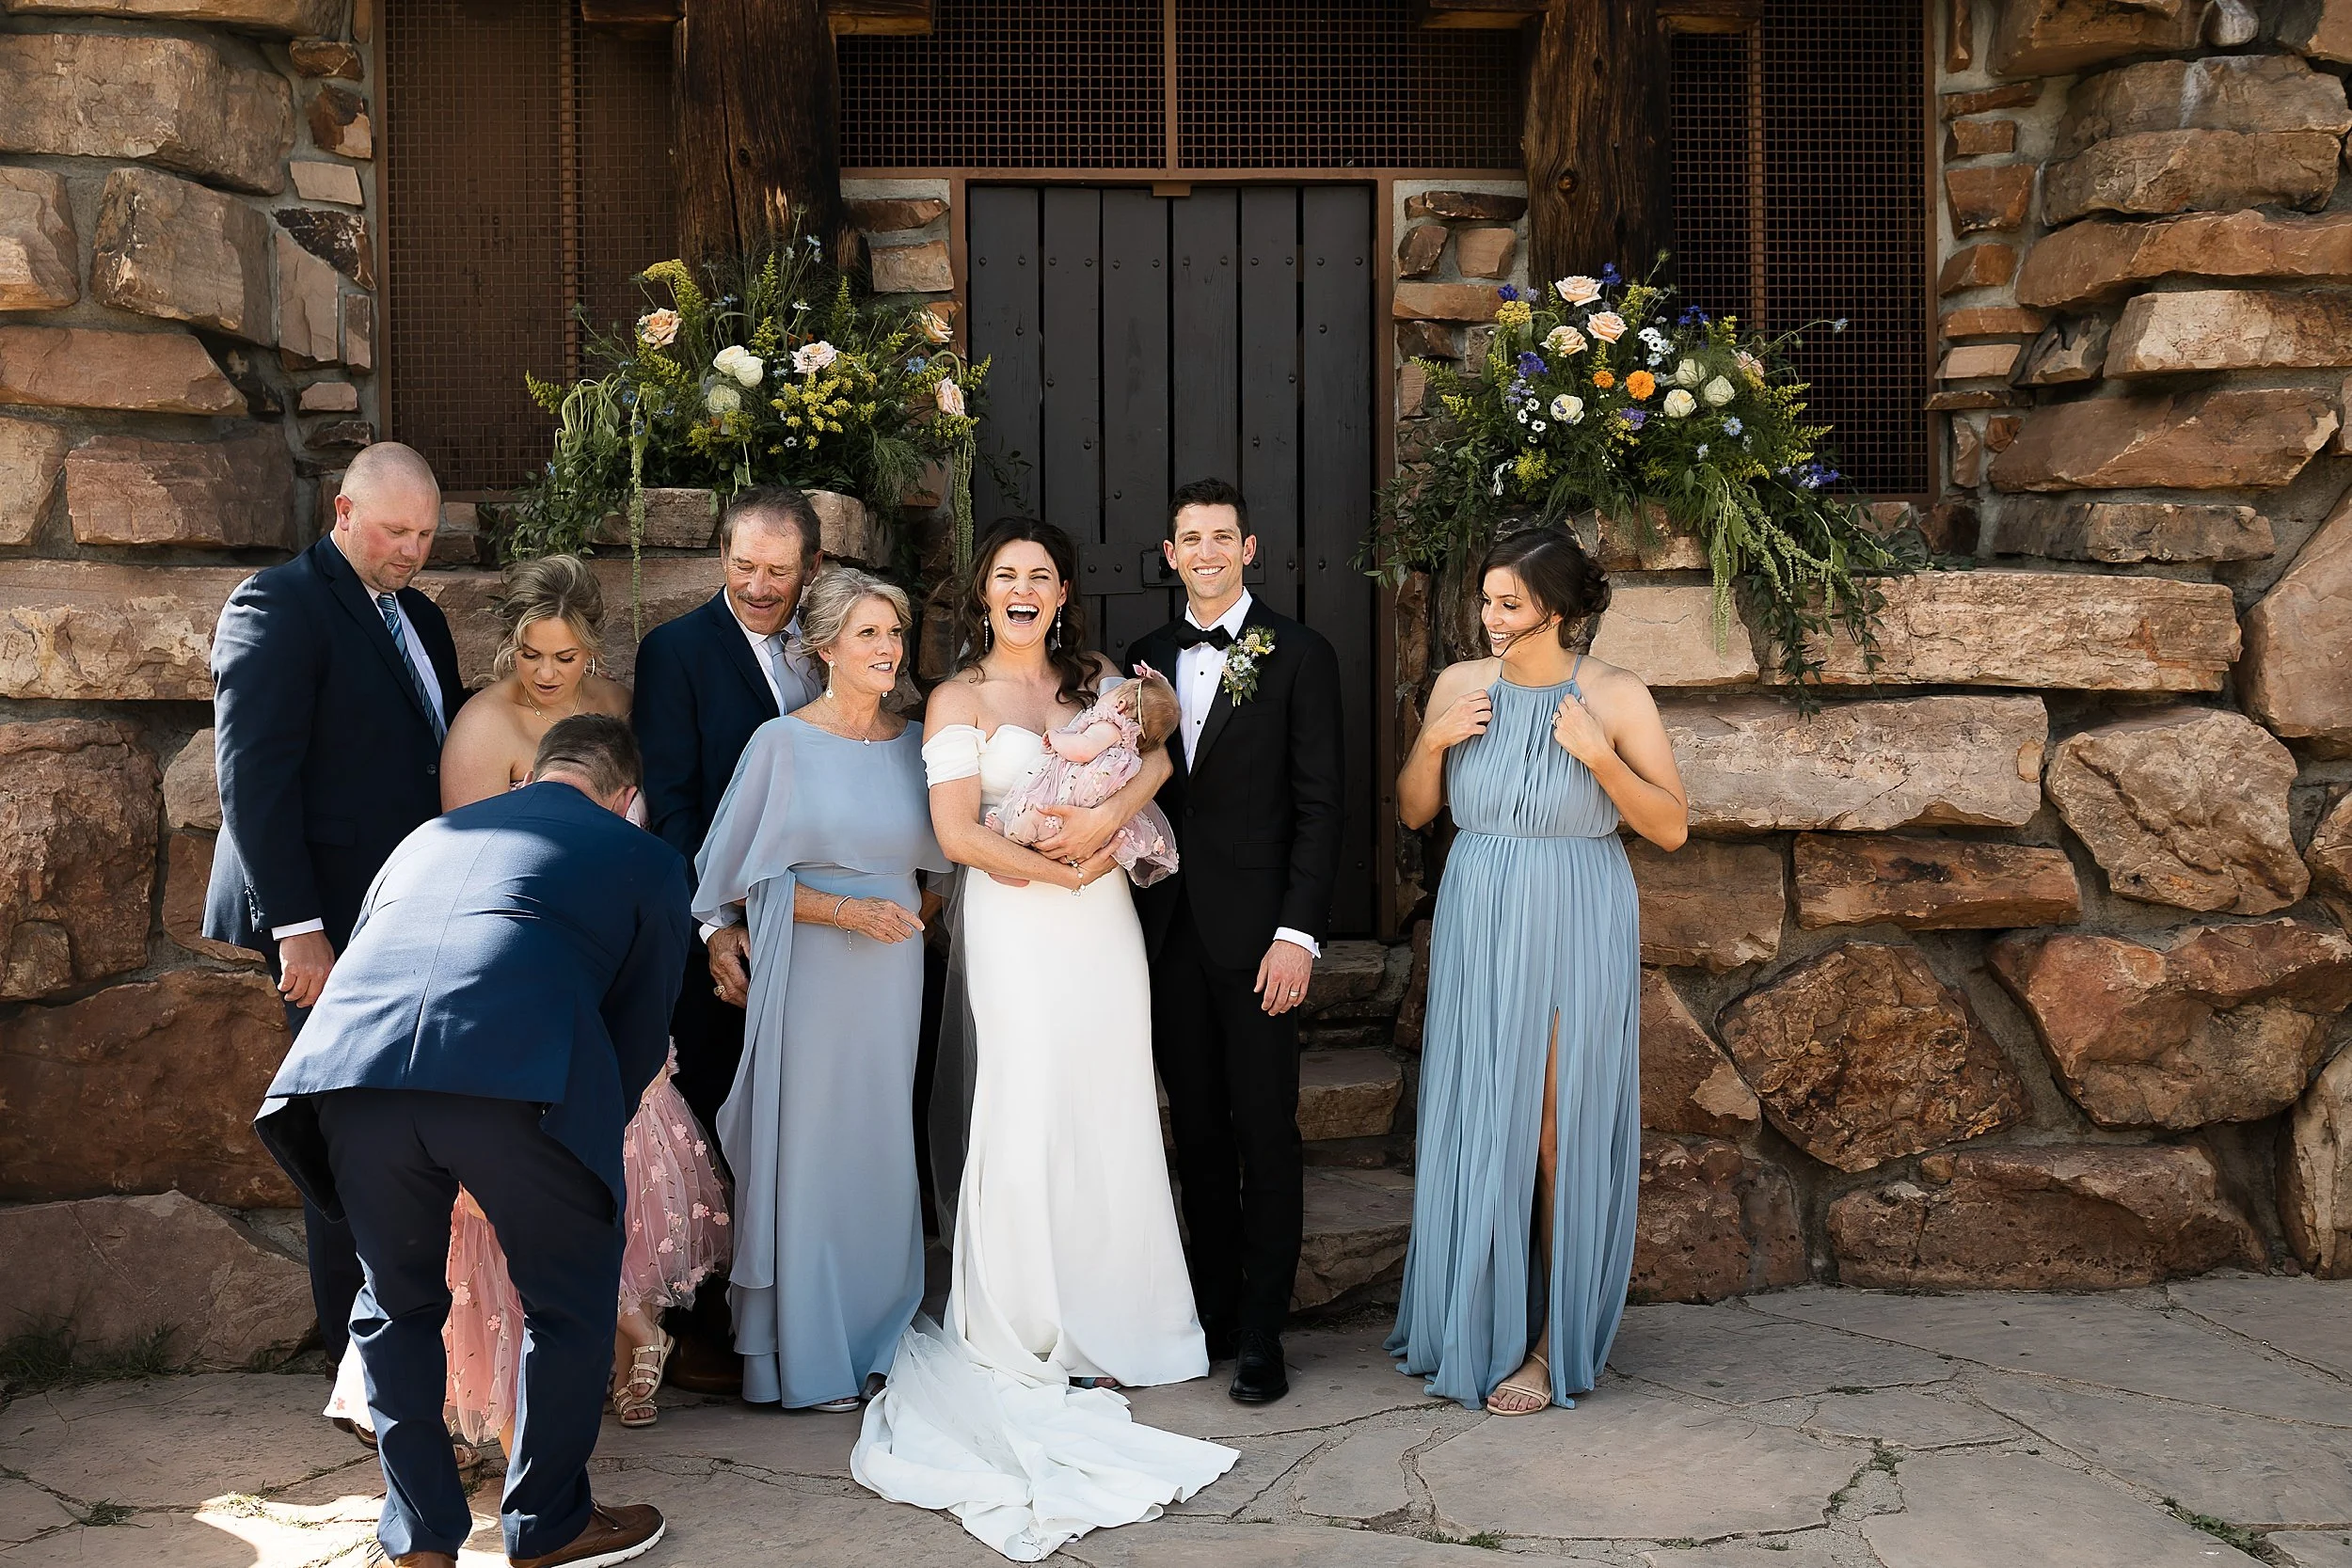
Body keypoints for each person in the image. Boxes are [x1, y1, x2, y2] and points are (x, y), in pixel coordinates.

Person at [850, 519, 1234, 1564]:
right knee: (1023, 1098)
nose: (1023, 589)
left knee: (1108, 1100)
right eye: (1005, 575)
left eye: (1041, 576)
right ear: (983, 594)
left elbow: (1159, 758)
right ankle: (1027, 1323)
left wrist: (1102, 825)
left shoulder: (1100, 675)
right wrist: (1062, 869)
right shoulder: (956, 698)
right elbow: (955, 835)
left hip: (1103, 913)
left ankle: (1122, 1319)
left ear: (1064, 592)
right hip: (1022, 917)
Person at [254, 716, 691, 1568]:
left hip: (354, 1077)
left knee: (395, 1304)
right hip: (512, 1082)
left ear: (531, 773)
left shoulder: (428, 834)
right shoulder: (646, 857)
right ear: (627, 797)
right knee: (567, 1301)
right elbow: (637, 1037)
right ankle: (549, 1524)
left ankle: (418, 1538)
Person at [326, 557, 730, 1438]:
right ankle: (498, 1393)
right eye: (533, 655)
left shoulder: (623, 714)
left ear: (595, 650)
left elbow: (646, 854)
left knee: (615, 1167)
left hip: (608, 980)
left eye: (568, 656)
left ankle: (622, 1345)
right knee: (509, 1194)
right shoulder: (484, 725)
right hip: (519, 994)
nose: (548, 674)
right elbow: (474, 874)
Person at [1385, 528, 1689, 1416]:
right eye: (1485, 601)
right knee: (1479, 1114)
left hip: (1573, 913)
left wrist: (1598, 755)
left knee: (1554, 1128)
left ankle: (1555, 1344)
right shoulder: (1457, 688)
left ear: (1556, 609)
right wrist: (1433, 741)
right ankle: (1473, 1318)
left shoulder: (1616, 695)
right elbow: (1412, 813)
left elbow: (1670, 826)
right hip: (1480, 908)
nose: (1490, 619)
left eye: (1508, 604)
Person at [206, 441, 469, 1372]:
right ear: (343, 513)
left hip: (410, 920)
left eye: (427, 534)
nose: (412, 549)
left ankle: (417, 1347)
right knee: (346, 1137)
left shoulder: (424, 620)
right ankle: (363, 1367)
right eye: (397, 529)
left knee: (405, 1137)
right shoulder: (278, 603)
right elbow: (252, 776)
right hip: (326, 926)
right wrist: (298, 926)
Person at [691, 568, 947, 1412]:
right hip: (814, 974)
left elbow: (944, 856)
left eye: (895, 633)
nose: (887, 649)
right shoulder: (782, 744)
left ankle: (881, 1333)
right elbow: (729, 879)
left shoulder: (918, 742)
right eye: (869, 633)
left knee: (881, 1144)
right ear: (825, 646)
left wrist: (912, 909)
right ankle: (809, 1354)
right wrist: (847, 909)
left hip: (893, 972)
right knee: (814, 1149)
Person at [1127, 478, 1347, 1405]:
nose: (1206, 550)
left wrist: (1297, 932)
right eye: (1189, 537)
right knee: (1200, 1134)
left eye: (1223, 535)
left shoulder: (1298, 653)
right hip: (1168, 930)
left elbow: (1319, 805)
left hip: (1262, 937)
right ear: (1169, 553)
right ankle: (1211, 1314)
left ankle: (1264, 1334)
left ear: (1249, 548)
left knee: (1266, 1129)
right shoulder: (1142, 658)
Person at [630, 485, 824, 1391]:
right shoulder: (675, 653)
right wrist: (712, 925)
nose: (758, 585)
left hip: (825, 928)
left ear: (810, 571)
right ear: (721, 561)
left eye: (778, 571)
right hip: (724, 936)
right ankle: (713, 1334)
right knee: (718, 1118)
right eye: (743, 566)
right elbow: (671, 803)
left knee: (806, 1123)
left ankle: (803, 1309)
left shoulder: (828, 649)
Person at [985, 668, 1182, 886]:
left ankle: (1013, 853)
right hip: (1085, 801)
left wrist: (1056, 737)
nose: (1103, 695)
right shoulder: (1127, 745)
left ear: (1120, 706)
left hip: (1070, 794)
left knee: (1035, 809)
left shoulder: (1108, 726)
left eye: (1110, 692)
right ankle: (1025, 856)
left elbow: (1083, 749)